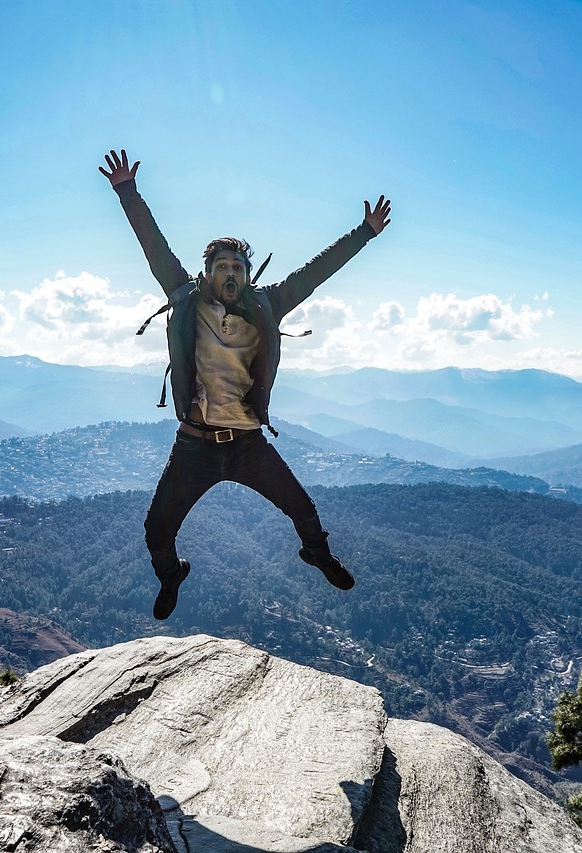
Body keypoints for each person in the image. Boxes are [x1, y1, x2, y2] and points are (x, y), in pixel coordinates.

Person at [100, 148, 392, 620]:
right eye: (222, 267)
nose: (230, 274)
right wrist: (127, 191)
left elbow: (315, 273)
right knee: (157, 530)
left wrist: (364, 234)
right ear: (208, 273)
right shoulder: (185, 298)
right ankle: (172, 574)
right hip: (194, 444)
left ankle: (316, 554)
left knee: (303, 508)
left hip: (247, 442)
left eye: (237, 267)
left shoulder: (268, 306)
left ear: (246, 274)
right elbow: (154, 248)